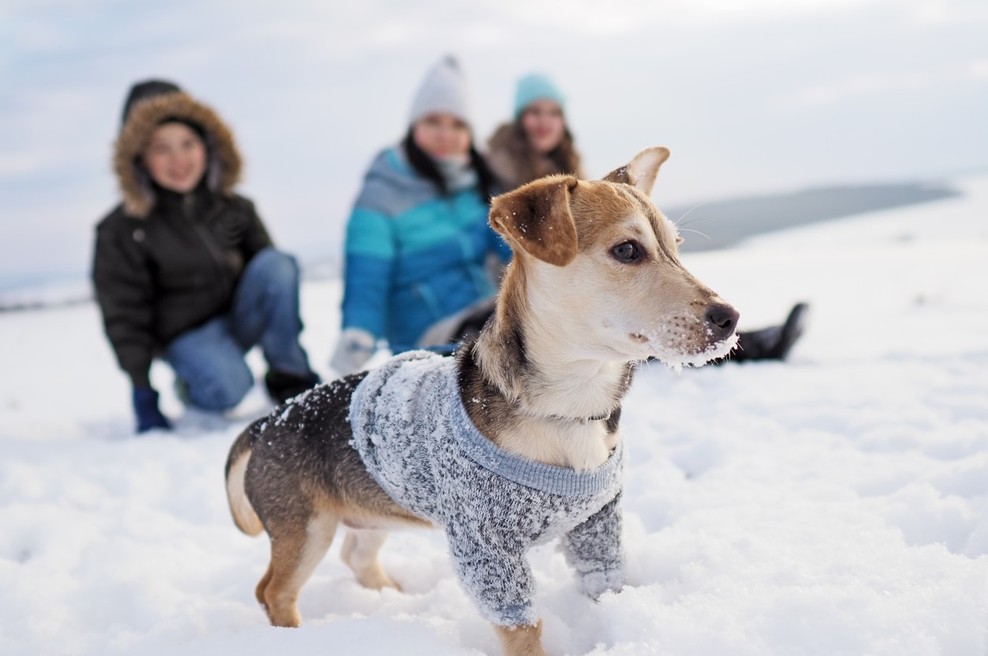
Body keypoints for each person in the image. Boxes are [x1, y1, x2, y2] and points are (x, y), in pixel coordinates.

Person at [486, 72, 808, 362]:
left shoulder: (576, 174)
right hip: (500, 299)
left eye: (553, 113)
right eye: (534, 113)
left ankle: (748, 343)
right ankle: (754, 347)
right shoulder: (488, 174)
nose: (545, 121)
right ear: (519, 120)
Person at [92, 80, 319, 433]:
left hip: (238, 319)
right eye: (161, 148)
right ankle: (195, 386)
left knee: (278, 264)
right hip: (187, 338)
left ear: (208, 146)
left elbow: (271, 280)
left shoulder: (235, 209)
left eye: (187, 144)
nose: (178, 159)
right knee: (230, 387)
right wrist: (142, 390)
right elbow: (124, 314)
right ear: (138, 158)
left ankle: (290, 374)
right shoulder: (122, 229)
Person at [330, 56, 511, 375]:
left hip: (486, 310)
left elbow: (512, 247)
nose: (446, 134)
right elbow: (367, 275)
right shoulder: (382, 191)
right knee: (510, 337)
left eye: (457, 125)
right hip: (428, 333)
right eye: (434, 122)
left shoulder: (477, 183)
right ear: (415, 126)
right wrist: (358, 334)